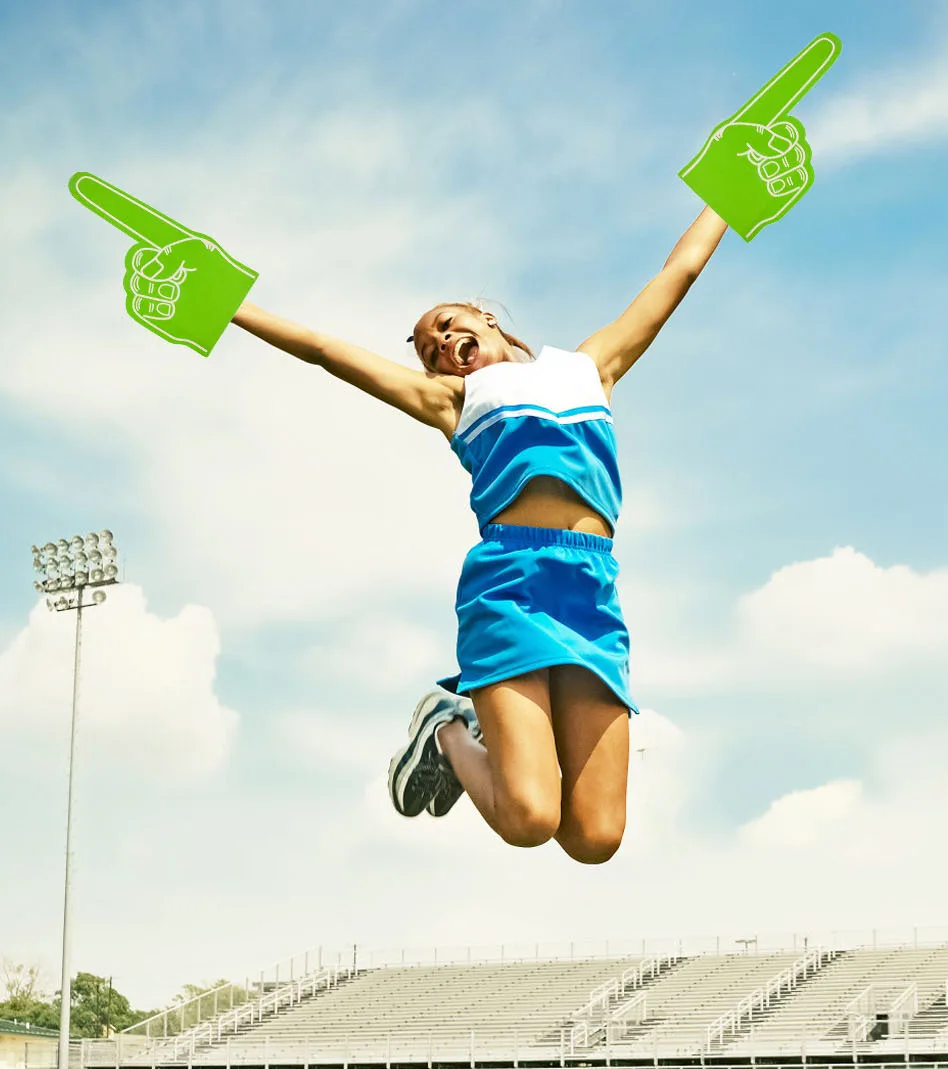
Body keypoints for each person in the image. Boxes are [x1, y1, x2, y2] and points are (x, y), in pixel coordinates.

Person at [229, 206, 730, 861]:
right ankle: (448, 730)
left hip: (591, 590)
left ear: (485, 317)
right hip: (510, 587)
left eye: (446, 324)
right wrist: (231, 307)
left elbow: (678, 271)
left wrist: (726, 197)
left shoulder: (589, 367)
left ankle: (466, 731)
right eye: (428, 349)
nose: (440, 343)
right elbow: (325, 352)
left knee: (595, 838)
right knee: (529, 819)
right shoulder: (454, 402)